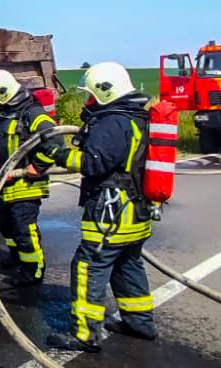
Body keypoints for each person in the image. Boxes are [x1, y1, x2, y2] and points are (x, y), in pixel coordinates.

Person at [25, 61, 156, 351]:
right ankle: (139, 322)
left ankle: (84, 333)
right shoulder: (135, 117)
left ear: (105, 92)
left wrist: (60, 155)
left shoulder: (112, 122)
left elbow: (93, 163)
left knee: (88, 265)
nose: (88, 101)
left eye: (91, 95)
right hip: (135, 210)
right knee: (127, 263)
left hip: (112, 210)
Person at [0, 69, 57, 286]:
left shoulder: (32, 113)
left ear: (2, 93)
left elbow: (54, 142)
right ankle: (16, 257)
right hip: (3, 181)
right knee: (7, 225)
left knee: (23, 228)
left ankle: (33, 269)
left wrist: (37, 166)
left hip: (26, 183)